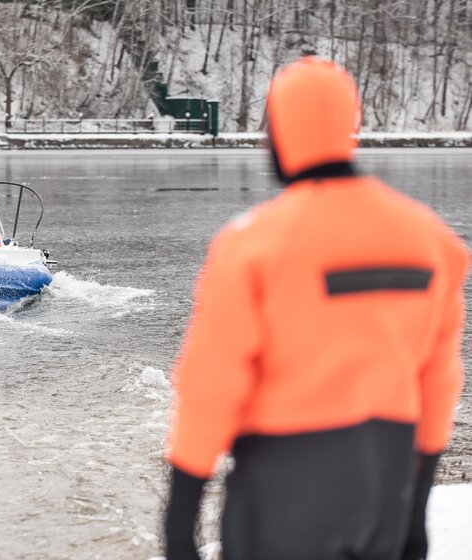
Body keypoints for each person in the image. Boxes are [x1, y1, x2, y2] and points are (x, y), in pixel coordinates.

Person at [163, 57, 468, 560]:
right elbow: (438, 384)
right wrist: (414, 516)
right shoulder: (431, 240)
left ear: (281, 132)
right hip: (385, 483)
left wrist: (180, 531)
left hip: (284, 493)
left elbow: (209, 387)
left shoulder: (253, 246)